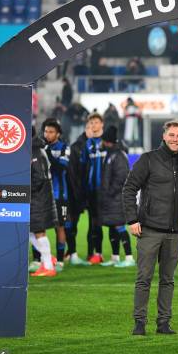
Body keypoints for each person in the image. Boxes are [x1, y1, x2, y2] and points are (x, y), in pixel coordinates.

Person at [123, 120, 178, 336]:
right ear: (164, 136)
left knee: (168, 280)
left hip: (175, 231)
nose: (175, 139)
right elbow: (129, 188)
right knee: (144, 278)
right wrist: (132, 220)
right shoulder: (148, 159)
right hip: (149, 229)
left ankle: (163, 323)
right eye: (172, 135)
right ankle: (139, 324)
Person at [98, 126, 134, 268]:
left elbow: (121, 178)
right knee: (112, 226)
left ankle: (129, 257)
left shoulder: (119, 155)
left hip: (117, 197)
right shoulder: (110, 154)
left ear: (108, 141)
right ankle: (115, 257)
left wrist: (109, 192)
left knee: (120, 226)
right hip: (110, 198)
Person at [30, 129, 59, 277]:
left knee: (38, 231)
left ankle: (48, 265)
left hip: (38, 198)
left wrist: (26, 191)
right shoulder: (36, 150)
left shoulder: (35, 152)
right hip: (38, 197)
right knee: (29, 230)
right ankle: (46, 259)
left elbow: (40, 178)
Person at [41, 119, 69, 272]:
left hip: (60, 194)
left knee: (60, 227)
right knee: (40, 226)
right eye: (46, 131)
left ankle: (59, 260)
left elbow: (62, 167)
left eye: (51, 132)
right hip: (43, 195)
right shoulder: (40, 148)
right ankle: (41, 259)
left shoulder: (64, 148)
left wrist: (48, 155)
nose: (47, 134)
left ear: (58, 134)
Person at [80, 113, 107, 264]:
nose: (94, 125)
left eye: (96, 122)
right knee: (92, 222)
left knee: (106, 222)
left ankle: (105, 253)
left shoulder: (107, 143)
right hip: (91, 190)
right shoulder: (88, 144)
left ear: (101, 124)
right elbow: (84, 167)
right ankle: (92, 253)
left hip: (105, 190)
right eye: (92, 123)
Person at [66, 124, 90, 266]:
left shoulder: (96, 146)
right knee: (70, 223)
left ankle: (74, 253)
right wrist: (77, 193)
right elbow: (73, 174)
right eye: (89, 127)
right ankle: (70, 253)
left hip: (85, 192)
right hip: (75, 193)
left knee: (76, 224)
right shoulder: (76, 147)